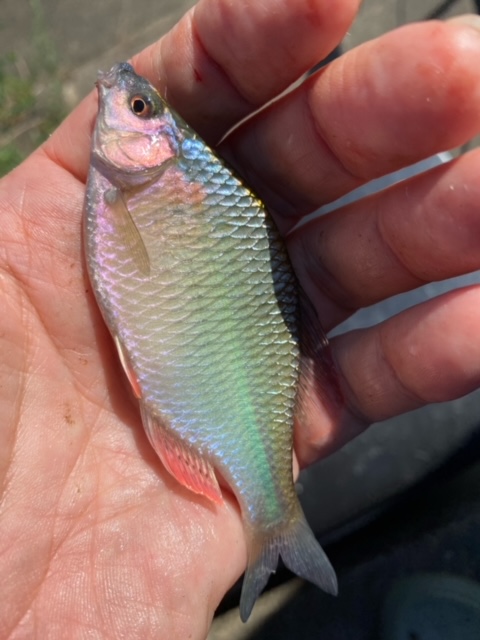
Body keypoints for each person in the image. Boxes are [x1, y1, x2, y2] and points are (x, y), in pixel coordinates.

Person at [1, 1, 480, 637]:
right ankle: (275, 524)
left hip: (221, 364)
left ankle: (273, 519)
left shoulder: (142, 187)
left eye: (140, 108)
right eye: (141, 107)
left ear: (158, 146)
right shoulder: (137, 189)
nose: (122, 102)